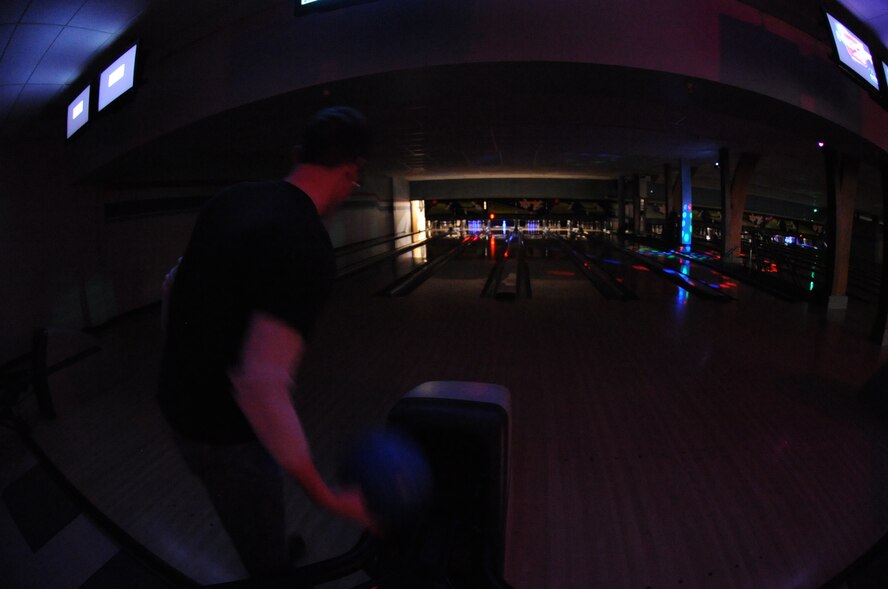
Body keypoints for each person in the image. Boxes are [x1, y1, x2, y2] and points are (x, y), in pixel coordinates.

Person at [158, 106, 373, 578]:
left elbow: (173, 286)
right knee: (265, 559)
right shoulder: (307, 245)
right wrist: (327, 497)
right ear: (350, 170)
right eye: (355, 180)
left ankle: (270, 551)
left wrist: (181, 364)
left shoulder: (230, 200)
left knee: (252, 521)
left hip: (176, 412)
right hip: (226, 439)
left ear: (298, 154)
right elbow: (260, 384)